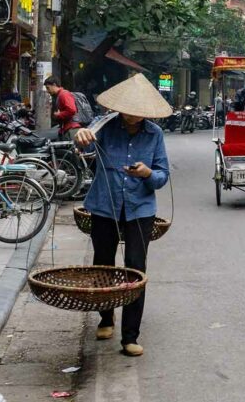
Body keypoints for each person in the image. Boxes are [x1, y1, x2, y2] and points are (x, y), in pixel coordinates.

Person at [75, 74, 172, 357]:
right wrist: (80, 136)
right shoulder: (105, 125)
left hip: (140, 209)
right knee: (103, 264)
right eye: (129, 110)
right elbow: (84, 145)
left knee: (134, 268)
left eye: (139, 111)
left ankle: (130, 335)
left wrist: (147, 174)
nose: (134, 115)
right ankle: (106, 318)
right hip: (104, 204)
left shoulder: (155, 134)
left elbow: (162, 175)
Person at [45, 76, 83, 141]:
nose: (47, 91)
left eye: (48, 88)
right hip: (67, 128)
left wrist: (59, 115)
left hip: (72, 129)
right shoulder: (59, 95)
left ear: (54, 85)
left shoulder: (64, 94)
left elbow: (72, 110)